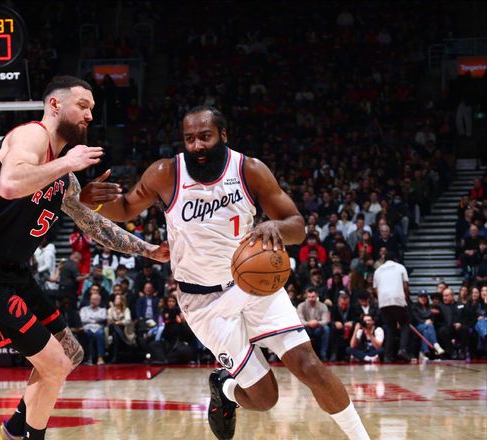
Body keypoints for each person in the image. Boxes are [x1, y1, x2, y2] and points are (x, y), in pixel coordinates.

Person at [87, 106, 369, 439]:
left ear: (223, 135)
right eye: (190, 139)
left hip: (253, 285)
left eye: (205, 137)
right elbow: (125, 208)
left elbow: (297, 226)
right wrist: (94, 202)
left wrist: (276, 227)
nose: (197, 146)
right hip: (203, 301)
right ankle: (225, 388)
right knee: (265, 398)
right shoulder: (165, 173)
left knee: (310, 366)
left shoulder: (250, 170)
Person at [0, 76, 169, 440]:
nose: (90, 115)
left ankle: (11, 432)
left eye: (92, 108)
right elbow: (10, 184)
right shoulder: (32, 136)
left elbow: (94, 225)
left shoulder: (64, 177)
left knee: (70, 353)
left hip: (11, 272)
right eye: (83, 105)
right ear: (55, 105)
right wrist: (67, 165)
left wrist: (149, 250)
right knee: (55, 364)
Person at [373, 252, 411, 362]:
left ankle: (387, 356)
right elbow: (405, 286)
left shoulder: (378, 270)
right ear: (395, 259)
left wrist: (382, 300)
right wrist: (405, 300)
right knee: (405, 324)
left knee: (390, 327)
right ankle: (403, 349)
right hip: (397, 298)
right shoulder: (400, 267)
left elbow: (375, 289)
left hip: (383, 301)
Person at [297, 289, 331, 361]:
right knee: (300, 329)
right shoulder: (301, 306)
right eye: (309, 297)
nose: (311, 299)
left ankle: (323, 353)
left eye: (313, 297)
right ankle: (303, 355)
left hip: (318, 328)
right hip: (306, 328)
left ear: (317, 296)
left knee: (327, 329)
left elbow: (326, 320)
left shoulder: (323, 306)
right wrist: (309, 323)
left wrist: (317, 323)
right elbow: (300, 320)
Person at [411, 292, 445, 360]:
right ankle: (436, 344)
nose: (423, 298)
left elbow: (432, 318)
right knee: (429, 326)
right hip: (418, 326)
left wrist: (430, 320)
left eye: (424, 297)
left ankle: (424, 352)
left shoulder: (429, 307)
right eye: (421, 297)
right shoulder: (414, 306)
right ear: (418, 298)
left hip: (427, 327)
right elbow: (416, 318)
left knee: (426, 331)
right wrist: (425, 321)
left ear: (427, 298)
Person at [79, 291, 108, 365]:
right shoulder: (84, 309)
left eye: (95, 299)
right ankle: (89, 358)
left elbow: (103, 317)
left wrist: (89, 318)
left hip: (98, 328)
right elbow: (83, 319)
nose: (92, 301)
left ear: (99, 301)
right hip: (87, 328)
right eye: (91, 299)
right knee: (85, 334)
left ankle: (100, 357)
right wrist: (96, 319)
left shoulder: (102, 310)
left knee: (100, 333)